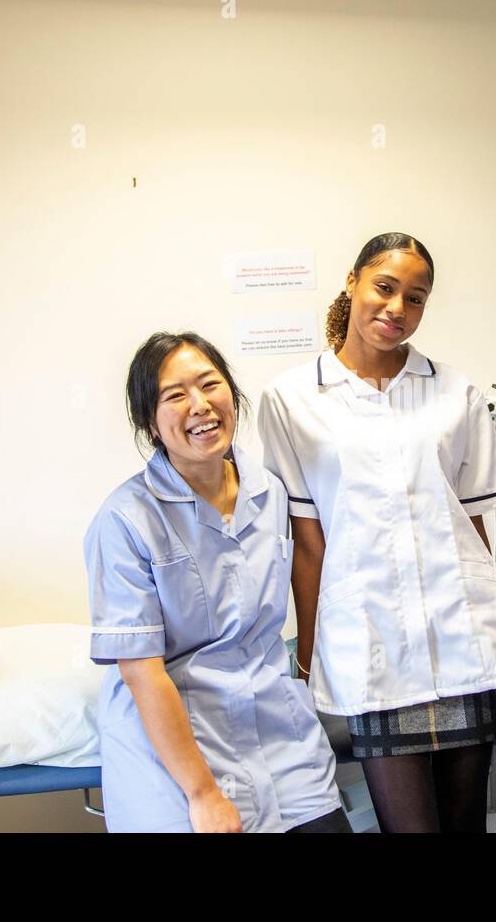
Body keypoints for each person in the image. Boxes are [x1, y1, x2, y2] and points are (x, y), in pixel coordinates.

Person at [258, 232, 496, 833]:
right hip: (372, 640)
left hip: (462, 636)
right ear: (352, 283)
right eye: (384, 288)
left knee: (466, 824)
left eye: (416, 298)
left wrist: (487, 622)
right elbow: (308, 544)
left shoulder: (454, 391)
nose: (397, 309)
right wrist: (308, 659)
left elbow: (474, 527)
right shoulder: (290, 399)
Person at [84, 332, 347, 833]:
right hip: (175, 752)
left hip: (276, 732)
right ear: (150, 422)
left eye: (210, 385)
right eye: (175, 395)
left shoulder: (270, 494)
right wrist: (203, 793)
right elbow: (143, 672)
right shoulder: (125, 520)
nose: (201, 405)